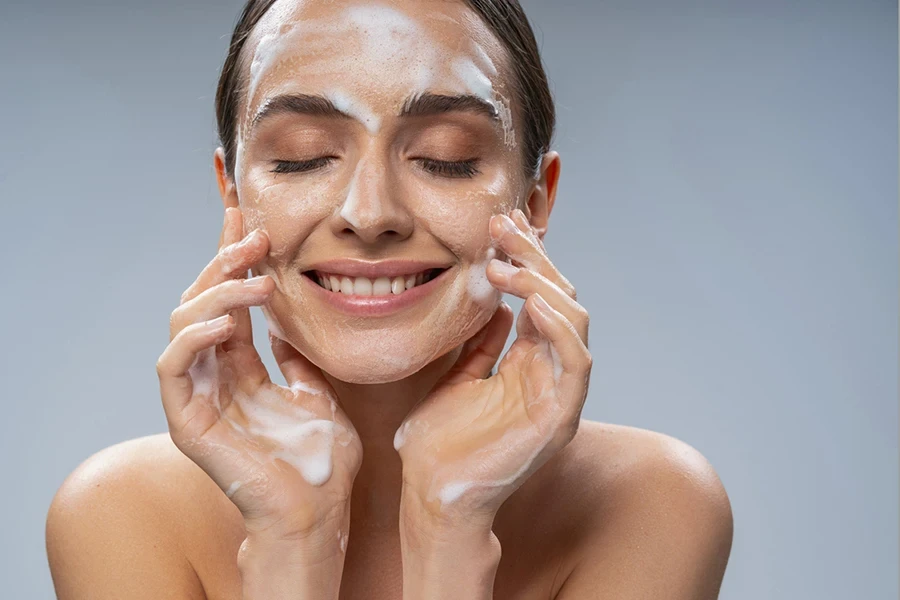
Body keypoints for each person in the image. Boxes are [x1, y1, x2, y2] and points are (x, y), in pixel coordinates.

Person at [45, 0, 734, 598]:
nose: (369, 212)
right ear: (234, 194)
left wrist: (449, 533)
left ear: (535, 200)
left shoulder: (651, 505)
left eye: (446, 155)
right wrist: (293, 547)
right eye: (303, 155)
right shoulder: (118, 514)